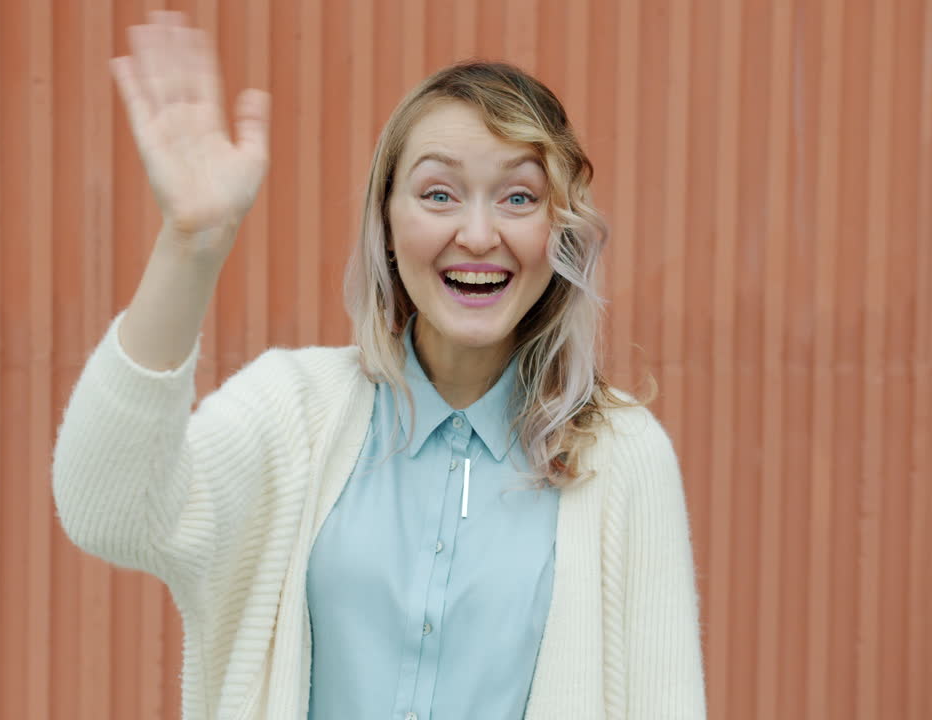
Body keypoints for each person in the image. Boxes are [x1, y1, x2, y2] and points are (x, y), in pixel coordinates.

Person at [52, 10, 706, 720]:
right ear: (388, 225)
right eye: (438, 194)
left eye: (519, 197)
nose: (479, 234)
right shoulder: (293, 413)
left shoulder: (626, 456)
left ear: (559, 233)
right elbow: (108, 511)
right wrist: (189, 245)